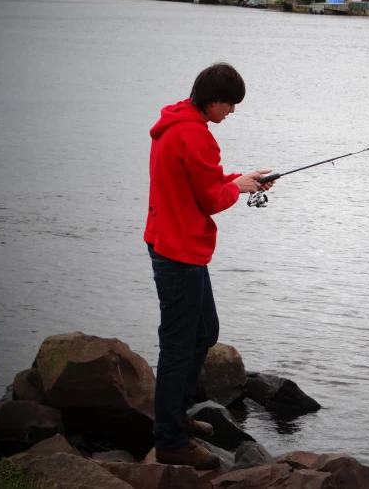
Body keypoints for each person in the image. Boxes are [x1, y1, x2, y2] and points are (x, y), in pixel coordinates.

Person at [144, 63, 275, 469]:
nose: (232, 111)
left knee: (204, 331)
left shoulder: (175, 122)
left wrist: (241, 177)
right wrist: (235, 188)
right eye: (230, 104)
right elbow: (212, 199)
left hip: (171, 241)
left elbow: (202, 180)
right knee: (179, 345)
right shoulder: (197, 135)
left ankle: (176, 415)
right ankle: (169, 438)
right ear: (214, 100)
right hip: (179, 250)